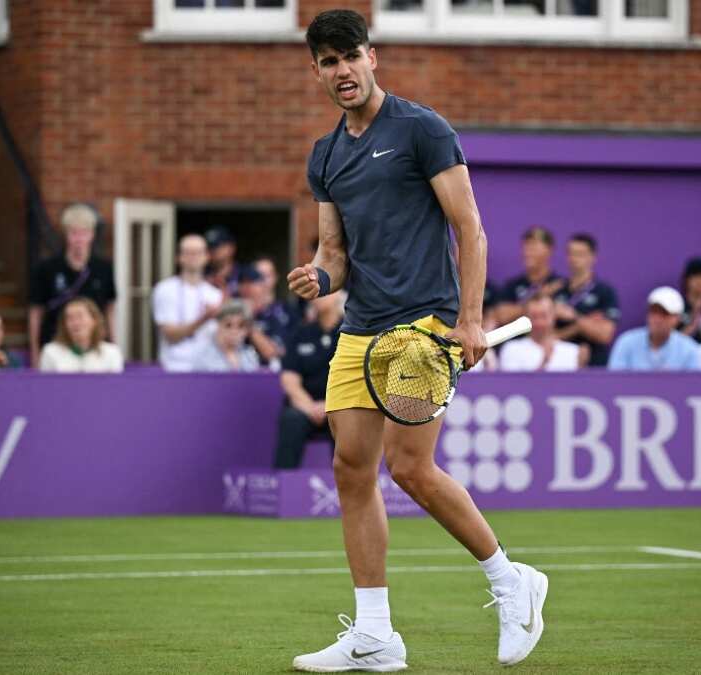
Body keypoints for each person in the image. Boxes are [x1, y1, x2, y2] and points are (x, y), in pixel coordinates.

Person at [287, 11, 548, 672]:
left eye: (350, 56)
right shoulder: (325, 156)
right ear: (316, 71)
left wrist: (471, 319)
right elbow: (334, 254)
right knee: (351, 468)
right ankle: (376, 635)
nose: (342, 71)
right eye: (328, 62)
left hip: (423, 324)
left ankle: (511, 580)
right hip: (360, 328)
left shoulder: (423, 129)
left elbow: (470, 227)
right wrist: (318, 277)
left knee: (408, 467)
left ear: (372, 57)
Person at [28, 203, 117, 366]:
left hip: (94, 346)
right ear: (66, 234)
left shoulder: (104, 268)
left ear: (92, 235)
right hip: (57, 345)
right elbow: (36, 312)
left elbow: (110, 310)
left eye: (84, 233)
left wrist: (113, 342)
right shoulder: (47, 268)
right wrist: (35, 351)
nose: (79, 239)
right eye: (74, 233)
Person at [274, 291, 345, 469]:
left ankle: (350, 481)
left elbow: (359, 380)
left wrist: (329, 406)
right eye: (315, 292)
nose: (318, 296)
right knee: (291, 419)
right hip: (306, 406)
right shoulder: (300, 334)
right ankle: (285, 480)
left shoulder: (353, 334)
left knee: (348, 422)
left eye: (325, 291)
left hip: (341, 406)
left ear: (339, 293)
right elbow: (289, 380)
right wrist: (310, 407)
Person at [152, 234, 224, 372]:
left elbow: (221, 338)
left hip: (208, 368)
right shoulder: (165, 289)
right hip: (174, 367)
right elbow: (170, 335)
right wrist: (204, 318)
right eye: (188, 252)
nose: (193, 257)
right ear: (178, 257)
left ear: (207, 256)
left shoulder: (215, 294)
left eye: (198, 252)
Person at [552, 233, 619, 367]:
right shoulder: (556, 289)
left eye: (580, 254)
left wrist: (574, 317)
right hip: (558, 364)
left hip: (594, 364)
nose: (574, 259)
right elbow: (545, 336)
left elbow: (605, 334)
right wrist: (582, 326)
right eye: (571, 253)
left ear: (593, 257)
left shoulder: (604, 292)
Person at [608, 286, 701, 371]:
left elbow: (693, 384)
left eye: (664, 314)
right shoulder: (626, 342)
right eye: (654, 312)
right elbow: (615, 381)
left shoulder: (689, 349)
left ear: (677, 318)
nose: (657, 319)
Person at [493, 226, 564, 326]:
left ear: (549, 250)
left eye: (533, 248)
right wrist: (538, 297)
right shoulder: (512, 285)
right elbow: (502, 316)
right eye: (526, 247)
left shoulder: (561, 285)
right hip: (519, 336)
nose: (527, 253)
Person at [38, 298, 124, 373]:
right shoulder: (50, 352)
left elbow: (116, 385)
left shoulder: (111, 353)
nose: (75, 323)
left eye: (80, 316)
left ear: (94, 320)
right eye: (70, 318)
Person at [499, 295, 582, 371]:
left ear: (553, 316)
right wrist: (544, 363)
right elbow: (511, 382)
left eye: (544, 316)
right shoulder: (511, 349)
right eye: (534, 317)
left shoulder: (573, 351)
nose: (539, 322)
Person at [248, 254, 301, 366]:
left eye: (267, 275)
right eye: (258, 276)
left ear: (275, 277)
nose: (263, 281)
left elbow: (284, 352)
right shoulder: (242, 309)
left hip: (278, 373)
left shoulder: (289, 311)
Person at [189, 300, 260, 373]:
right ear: (218, 325)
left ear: (247, 329)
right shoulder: (201, 355)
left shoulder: (250, 355)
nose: (234, 331)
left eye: (241, 326)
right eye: (228, 325)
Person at [679, 257, 701, 342]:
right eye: (695, 276)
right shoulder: (677, 306)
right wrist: (693, 324)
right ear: (686, 280)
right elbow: (669, 341)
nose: (700, 281)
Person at [204, 225, 240, 298]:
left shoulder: (244, 274)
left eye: (218, 246)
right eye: (209, 247)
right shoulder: (201, 276)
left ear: (231, 248)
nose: (213, 250)